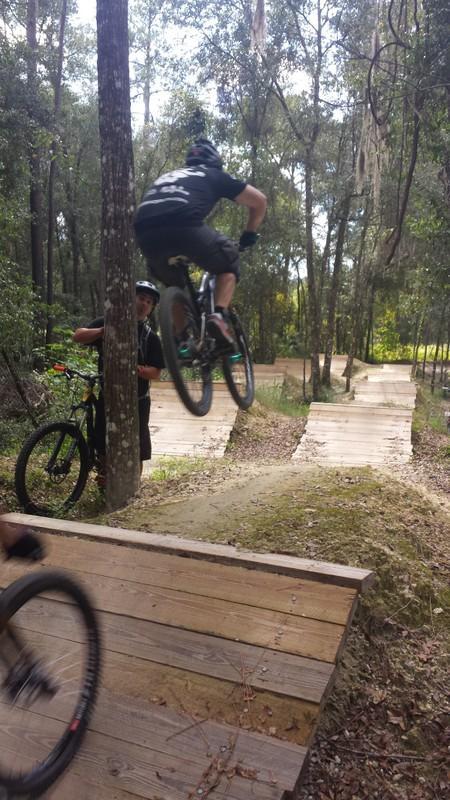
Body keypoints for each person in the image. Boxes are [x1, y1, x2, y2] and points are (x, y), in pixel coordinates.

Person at [134, 137, 267, 346]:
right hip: (182, 225)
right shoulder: (213, 174)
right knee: (229, 262)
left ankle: (182, 339)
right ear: (215, 161)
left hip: (144, 234)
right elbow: (259, 201)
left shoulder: (169, 176)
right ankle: (219, 317)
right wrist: (248, 235)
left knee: (173, 282)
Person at [73, 281, 165, 479]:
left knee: (137, 448)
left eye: (149, 302)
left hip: (138, 401)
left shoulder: (150, 337)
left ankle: (133, 487)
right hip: (108, 397)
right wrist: (101, 331)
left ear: (151, 309)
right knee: (102, 445)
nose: (144, 304)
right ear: (131, 300)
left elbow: (156, 373)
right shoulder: (109, 321)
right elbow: (78, 336)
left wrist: (135, 369)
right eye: (141, 298)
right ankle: (104, 487)